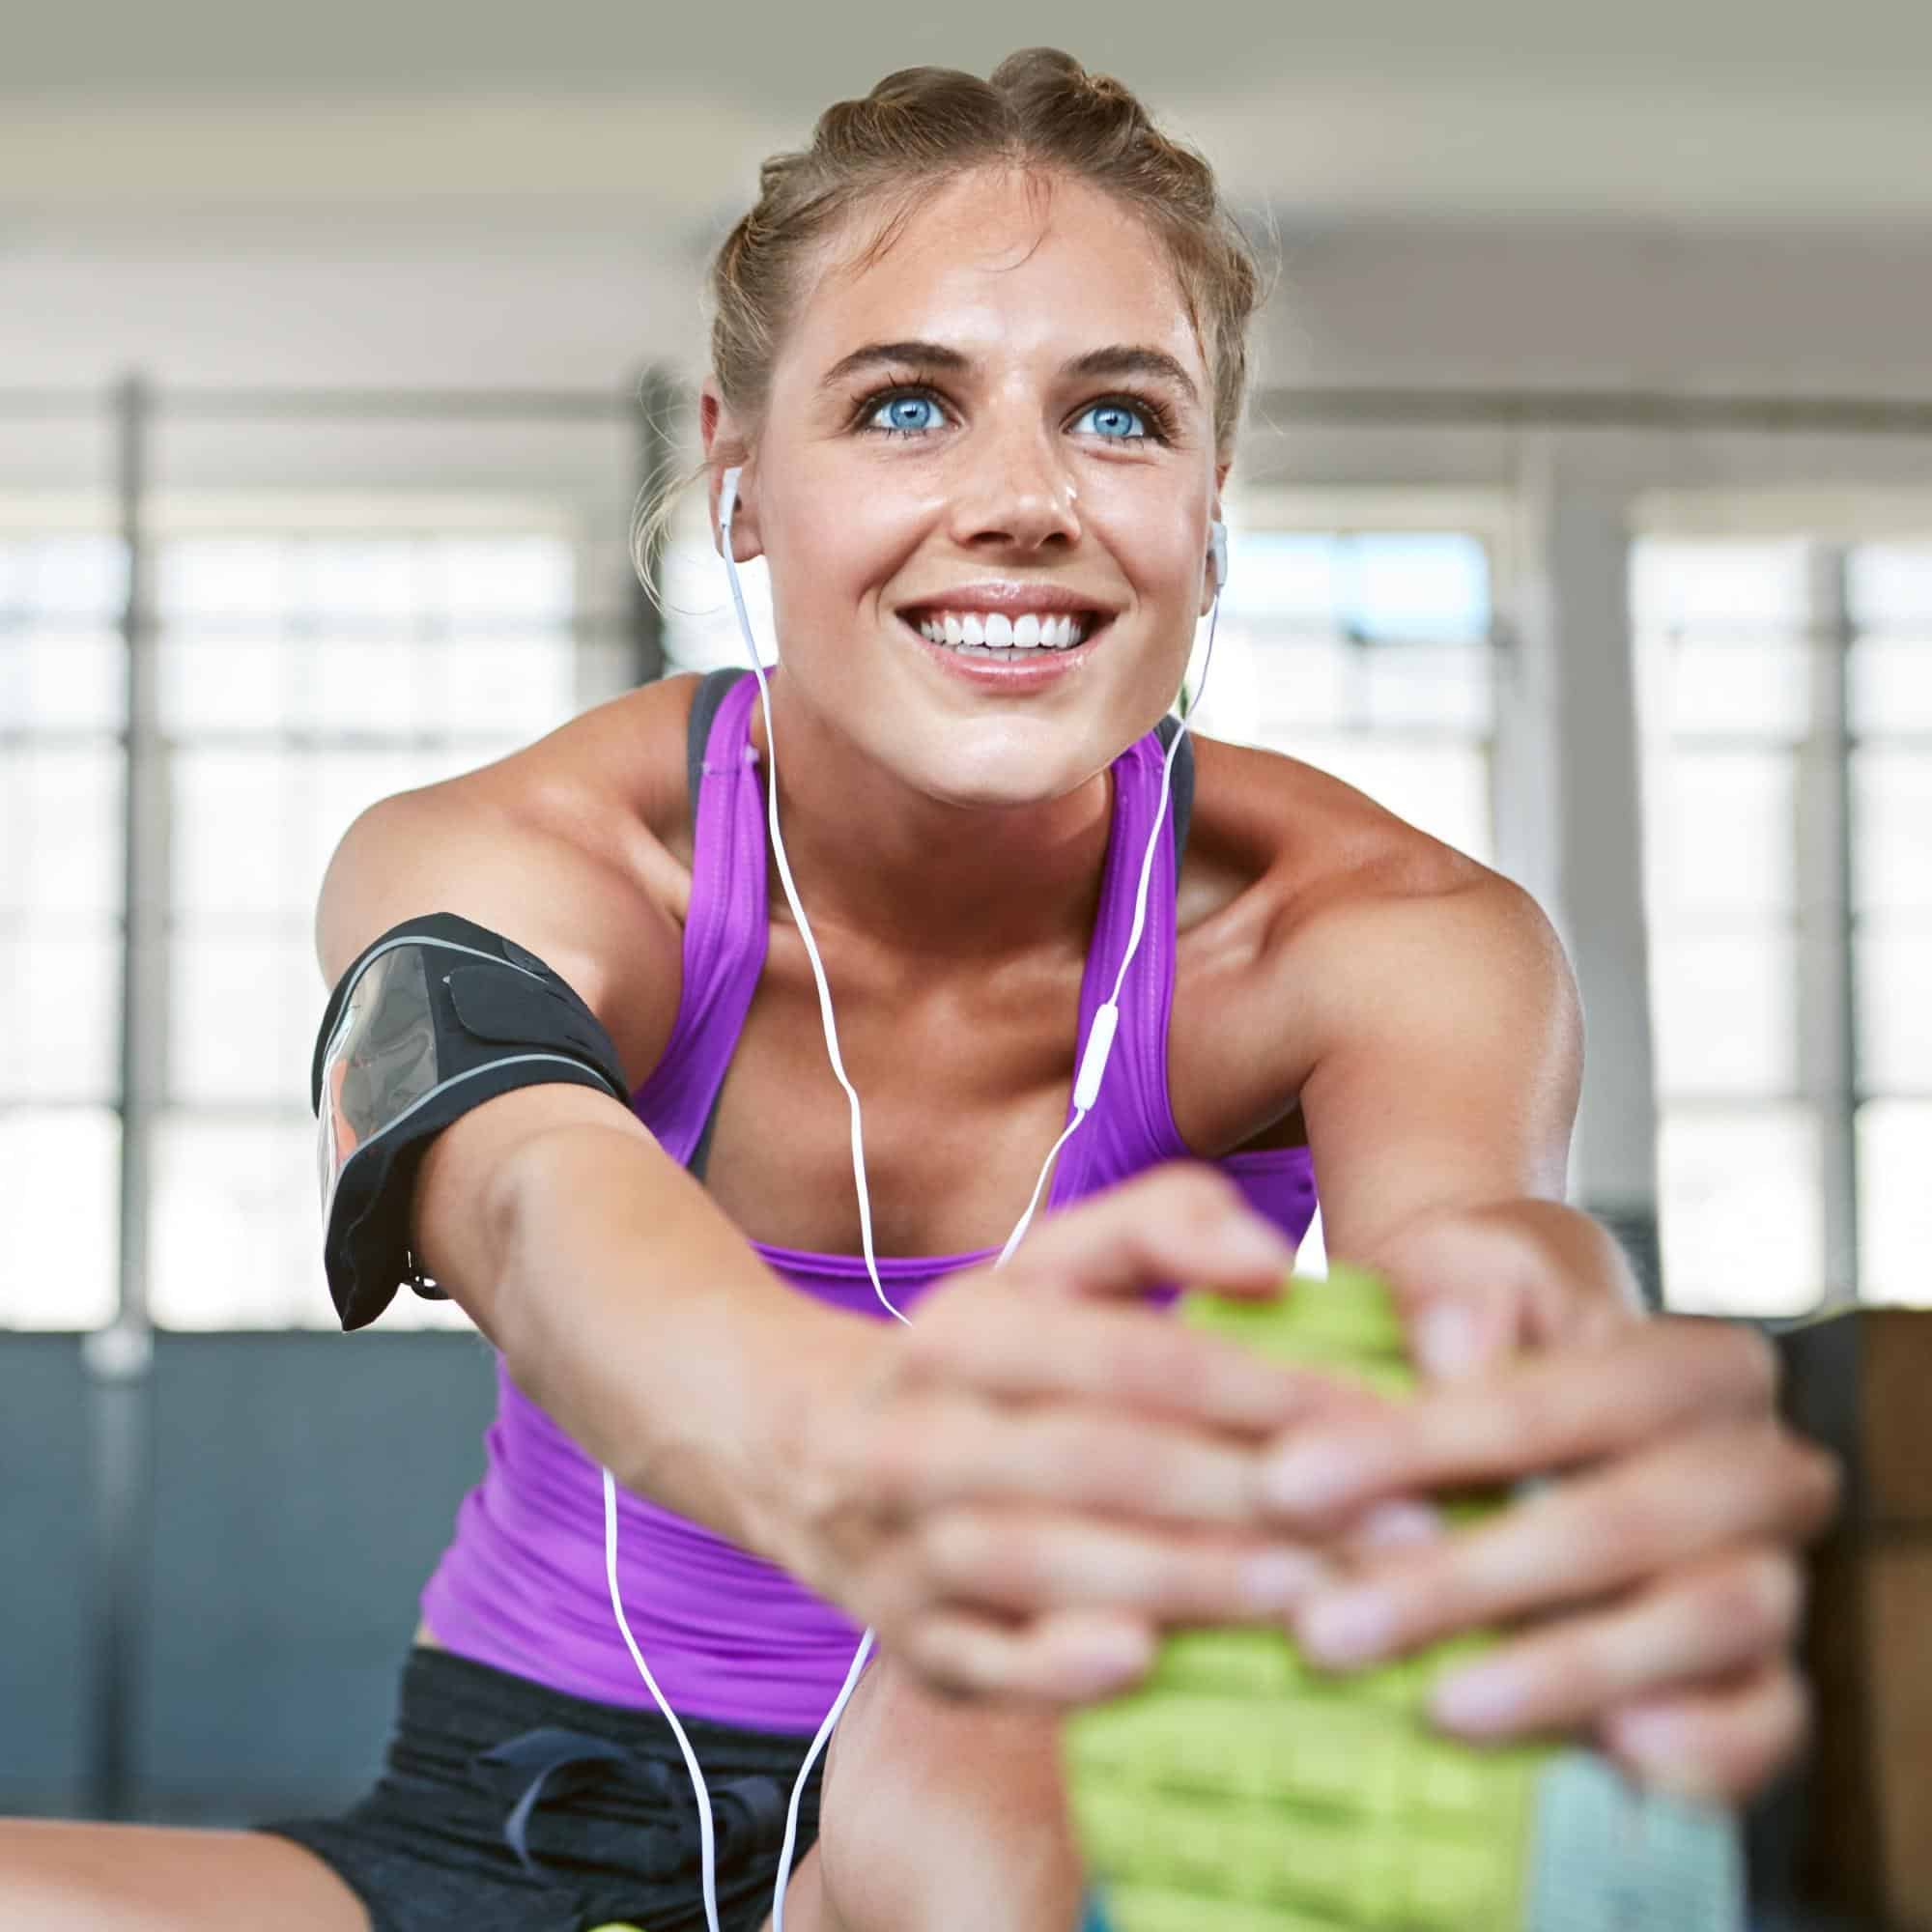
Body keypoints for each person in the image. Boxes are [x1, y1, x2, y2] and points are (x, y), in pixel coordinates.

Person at [0, 47, 1837, 1932]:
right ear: (739, 481)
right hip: (508, 1818)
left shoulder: (1368, 929)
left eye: (1120, 419)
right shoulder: (537, 853)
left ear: (1209, 509)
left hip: (1003, 1817)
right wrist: (858, 1453)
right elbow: (530, 1191)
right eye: (903, 407)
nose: (1021, 499)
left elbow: (1474, 1258)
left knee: (995, 1750)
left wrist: (1534, 1370)